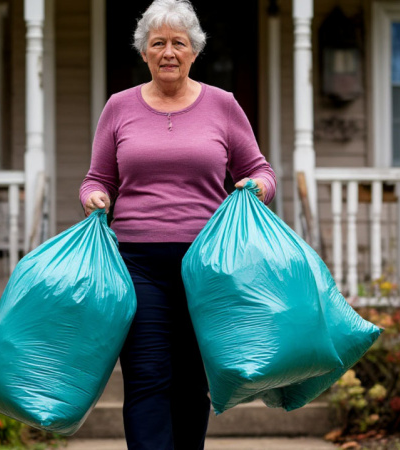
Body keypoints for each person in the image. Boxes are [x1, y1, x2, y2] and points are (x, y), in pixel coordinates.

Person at [79, 0, 277, 447]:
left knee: (191, 382)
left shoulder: (223, 106)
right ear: (144, 52)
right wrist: (94, 197)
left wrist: (256, 190)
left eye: (178, 43)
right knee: (147, 376)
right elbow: (96, 178)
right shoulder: (118, 107)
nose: (169, 51)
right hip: (137, 263)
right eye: (158, 43)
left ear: (194, 51)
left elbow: (262, 171)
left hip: (206, 266)